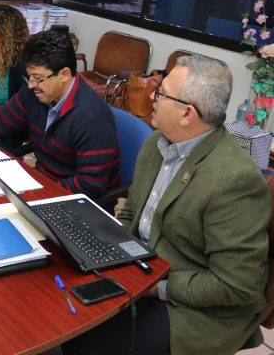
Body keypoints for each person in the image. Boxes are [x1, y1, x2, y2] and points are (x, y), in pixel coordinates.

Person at [63, 55, 271, 355]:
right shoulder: (157, 143)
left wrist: (154, 287)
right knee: (66, 305)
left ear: (187, 113)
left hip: (194, 307)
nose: (151, 96)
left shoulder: (235, 180)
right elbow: (132, 212)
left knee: (90, 340)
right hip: (142, 270)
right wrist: (104, 251)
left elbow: (235, 286)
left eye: (160, 92)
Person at [0, 30, 120, 199]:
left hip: (75, 202)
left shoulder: (92, 118)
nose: (31, 85)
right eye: (29, 77)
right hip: (42, 184)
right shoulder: (36, 93)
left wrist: (40, 194)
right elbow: (1, 118)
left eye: (38, 78)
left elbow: (90, 184)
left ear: (64, 74)